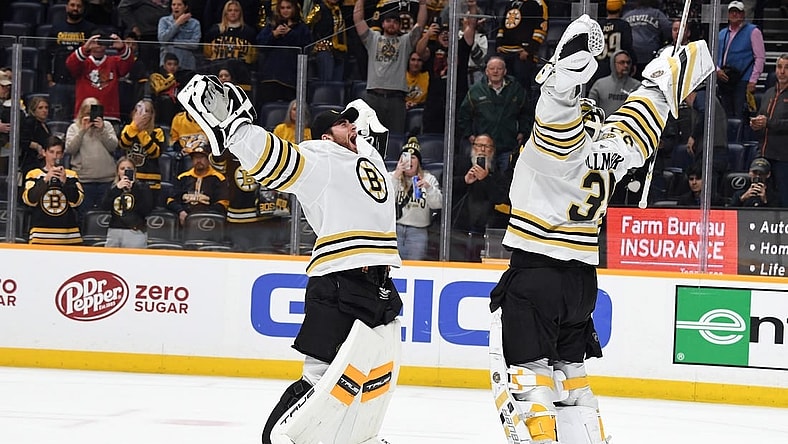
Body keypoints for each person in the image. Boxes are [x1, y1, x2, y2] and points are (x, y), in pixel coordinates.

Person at [488, 14, 713, 444]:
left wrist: (568, 62)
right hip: (581, 285)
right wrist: (668, 75)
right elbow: (646, 111)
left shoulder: (556, 144)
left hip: (537, 273)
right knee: (573, 383)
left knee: (529, 382)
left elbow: (557, 98)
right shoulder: (616, 148)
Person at [177, 75, 402, 444]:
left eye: (352, 122)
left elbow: (375, 149)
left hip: (379, 282)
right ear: (326, 136)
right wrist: (235, 129)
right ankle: (278, 439)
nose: (352, 127)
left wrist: (366, 123)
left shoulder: (364, 158)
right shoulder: (321, 157)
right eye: (342, 123)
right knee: (322, 379)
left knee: (370, 378)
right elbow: (276, 159)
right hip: (339, 281)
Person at [354, 0, 428, 135]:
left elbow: (420, 25)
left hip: (396, 99)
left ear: (399, 26)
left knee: (395, 138)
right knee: (371, 138)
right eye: (388, 21)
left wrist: (423, 4)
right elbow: (358, 20)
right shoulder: (372, 39)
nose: (391, 24)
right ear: (382, 24)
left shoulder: (405, 42)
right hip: (373, 97)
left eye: (395, 22)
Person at [457, 56, 531, 173]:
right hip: (484, 148)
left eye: (499, 69)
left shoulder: (516, 89)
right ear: (486, 71)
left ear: (505, 71)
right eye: (492, 69)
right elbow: (463, 116)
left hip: (508, 145)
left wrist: (522, 131)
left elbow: (527, 112)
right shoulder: (476, 91)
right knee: (484, 178)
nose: (495, 71)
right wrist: (470, 134)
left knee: (507, 178)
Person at [415, 0, 478, 134]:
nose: (445, 35)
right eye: (442, 33)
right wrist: (427, 34)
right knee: (431, 136)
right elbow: (419, 51)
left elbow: (471, 27)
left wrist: (472, 7)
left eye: (449, 32)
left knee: (457, 136)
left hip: (458, 99)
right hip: (435, 101)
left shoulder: (461, 47)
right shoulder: (432, 50)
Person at [450, 133, 510, 262]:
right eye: (479, 145)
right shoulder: (459, 164)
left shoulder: (498, 173)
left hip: (484, 231)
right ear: (473, 147)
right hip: (458, 229)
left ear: (492, 150)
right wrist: (464, 180)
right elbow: (444, 185)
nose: (482, 150)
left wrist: (486, 179)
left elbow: (501, 198)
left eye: (487, 146)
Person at [22, 136, 85, 245]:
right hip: (40, 235)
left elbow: (77, 201)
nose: (55, 156)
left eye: (58, 153)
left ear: (62, 155)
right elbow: (29, 200)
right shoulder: (34, 174)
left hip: (69, 235)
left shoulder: (71, 175)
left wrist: (65, 182)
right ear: (44, 152)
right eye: (51, 152)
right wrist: (45, 180)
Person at [391, 137, 442, 260]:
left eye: (413, 157)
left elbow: (438, 204)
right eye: (406, 157)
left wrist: (428, 188)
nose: (409, 160)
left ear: (418, 162)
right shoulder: (392, 176)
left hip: (418, 231)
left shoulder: (429, 179)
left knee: (415, 265)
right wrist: (397, 175)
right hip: (394, 229)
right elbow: (385, 199)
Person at [65, 97, 118, 214]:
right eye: (88, 113)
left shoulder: (107, 126)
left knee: (105, 215)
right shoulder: (74, 128)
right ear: (82, 113)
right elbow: (70, 149)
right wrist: (82, 131)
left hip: (106, 180)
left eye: (94, 112)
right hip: (84, 181)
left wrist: (102, 130)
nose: (91, 116)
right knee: (84, 216)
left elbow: (113, 146)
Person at [749, 53, 788, 208]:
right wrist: (756, 124)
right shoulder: (768, 93)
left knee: (784, 198)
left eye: (786, 68)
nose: (782, 71)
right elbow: (763, 118)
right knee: (763, 197)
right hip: (765, 155)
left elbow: (772, 122)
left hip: (784, 158)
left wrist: (768, 122)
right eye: (779, 67)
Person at [46, 0, 96, 121]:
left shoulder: (90, 29)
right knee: (59, 119)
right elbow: (47, 54)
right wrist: (49, 78)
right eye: (72, 5)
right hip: (60, 81)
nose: (75, 8)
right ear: (66, 7)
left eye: (79, 6)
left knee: (82, 117)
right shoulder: (56, 28)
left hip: (82, 81)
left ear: (83, 9)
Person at [66, 33, 134, 120]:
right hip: (84, 116)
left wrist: (122, 48)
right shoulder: (82, 62)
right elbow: (70, 64)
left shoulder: (114, 61)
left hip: (110, 115)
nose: (98, 44)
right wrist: (84, 49)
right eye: (94, 41)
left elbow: (128, 63)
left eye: (102, 41)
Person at [255, 0, 312, 104]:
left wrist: (290, 33)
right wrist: (274, 35)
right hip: (270, 77)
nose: (285, 10)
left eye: (288, 8)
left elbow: (306, 46)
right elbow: (260, 45)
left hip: (291, 79)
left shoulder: (301, 28)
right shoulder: (271, 26)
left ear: (294, 9)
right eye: (282, 8)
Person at [716, 0, 765, 119]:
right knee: (725, 115)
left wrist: (753, 80)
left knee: (740, 114)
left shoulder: (753, 31)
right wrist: (717, 70)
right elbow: (714, 56)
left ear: (743, 14)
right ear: (728, 15)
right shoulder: (722, 33)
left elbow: (760, 57)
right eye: (732, 12)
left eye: (737, 12)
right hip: (724, 79)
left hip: (743, 80)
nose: (734, 14)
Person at [166, 144, 230, 225]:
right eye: (196, 157)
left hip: (208, 220)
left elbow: (223, 203)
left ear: (208, 159)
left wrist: (204, 215)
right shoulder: (182, 177)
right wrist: (181, 212)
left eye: (202, 157)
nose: (198, 160)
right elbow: (171, 200)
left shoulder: (218, 178)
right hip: (184, 218)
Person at [203, 0, 259, 92]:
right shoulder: (214, 31)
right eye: (230, 10)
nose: (233, 13)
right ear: (225, 13)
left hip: (241, 75)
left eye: (236, 10)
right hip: (216, 73)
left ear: (240, 13)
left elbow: (253, 56)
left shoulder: (249, 32)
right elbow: (207, 53)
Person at [494, 0, 548, 92]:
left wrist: (529, 50)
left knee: (521, 86)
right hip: (505, 52)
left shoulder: (538, 4)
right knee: (504, 86)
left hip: (523, 53)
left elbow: (541, 29)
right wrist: (498, 44)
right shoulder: (511, 3)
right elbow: (503, 26)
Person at [100, 157, 154, 248]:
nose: (125, 171)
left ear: (134, 171)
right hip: (114, 231)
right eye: (122, 169)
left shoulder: (142, 188)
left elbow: (146, 210)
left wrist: (134, 189)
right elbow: (104, 206)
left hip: (135, 231)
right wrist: (117, 189)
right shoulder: (112, 188)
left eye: (129, 169)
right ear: (118, 172)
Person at [119, 99, 165, 202]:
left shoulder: (157, 131)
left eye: (146, 111)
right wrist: (134, 127)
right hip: (130, 178)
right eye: (138, 110)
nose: (142, 114)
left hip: (151, 181)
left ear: (152, 115)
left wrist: (141, 132)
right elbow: (123, 144)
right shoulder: (128, 128)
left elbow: (155, 153)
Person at [622, 0, 671, 80]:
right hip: (649, 56)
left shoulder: (627, 15)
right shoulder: (656, 14)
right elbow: (668, 30)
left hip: (632, 58)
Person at [591, 0, 635, 87]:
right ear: (620, 9)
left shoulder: (598, 25)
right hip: (617, 67)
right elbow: (627, 46)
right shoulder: (623, 25)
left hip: (598, 67)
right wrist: (633, 62)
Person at [587, 50, 640, 118]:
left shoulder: (637, 86)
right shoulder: (599, 84)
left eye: (628, 62)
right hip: (604, 123)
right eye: (622, 62)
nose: (626, 65)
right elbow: (590, 108)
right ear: (613, 64)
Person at [306, 0, 349, 82]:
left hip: (338, 51)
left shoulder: (339, 10)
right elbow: (307, 25)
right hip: (323, 50)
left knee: (338, 83)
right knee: (326, 81)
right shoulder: (318, 8)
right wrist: (316, 43)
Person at [157, 0, 202, 72]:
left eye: (179, 5)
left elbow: (194, 44)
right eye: (173, 5)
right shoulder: (164, 21)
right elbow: (162, 40)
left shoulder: (195, 23)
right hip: (167, 64)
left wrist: (173, 42)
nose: (176, 7)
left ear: (185, 7)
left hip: (186, 64)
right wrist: (177, 23)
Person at [19, 96, 51, 178]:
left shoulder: (45, 125)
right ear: (33, 110)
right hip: (31, 163)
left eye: (46, 107)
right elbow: (22, 140)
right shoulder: (30, 122)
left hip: (42, 163)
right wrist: (37, 146)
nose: (44, 110)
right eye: (40, 108)